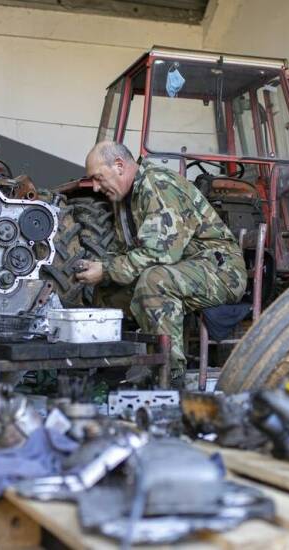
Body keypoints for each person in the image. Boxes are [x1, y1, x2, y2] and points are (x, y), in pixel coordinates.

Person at [75, 141, 247, 387]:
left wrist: (107, 269)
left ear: (120, 166)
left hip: (219, 271)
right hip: (182, 269)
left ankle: (169, 375)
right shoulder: (126, 200)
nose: (94, 186)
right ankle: (111, 370)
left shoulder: (158, 185)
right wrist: (99, 267)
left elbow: (160, 254)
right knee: (108, 290)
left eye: (98, 178)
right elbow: (123, 252)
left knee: (154, 281)